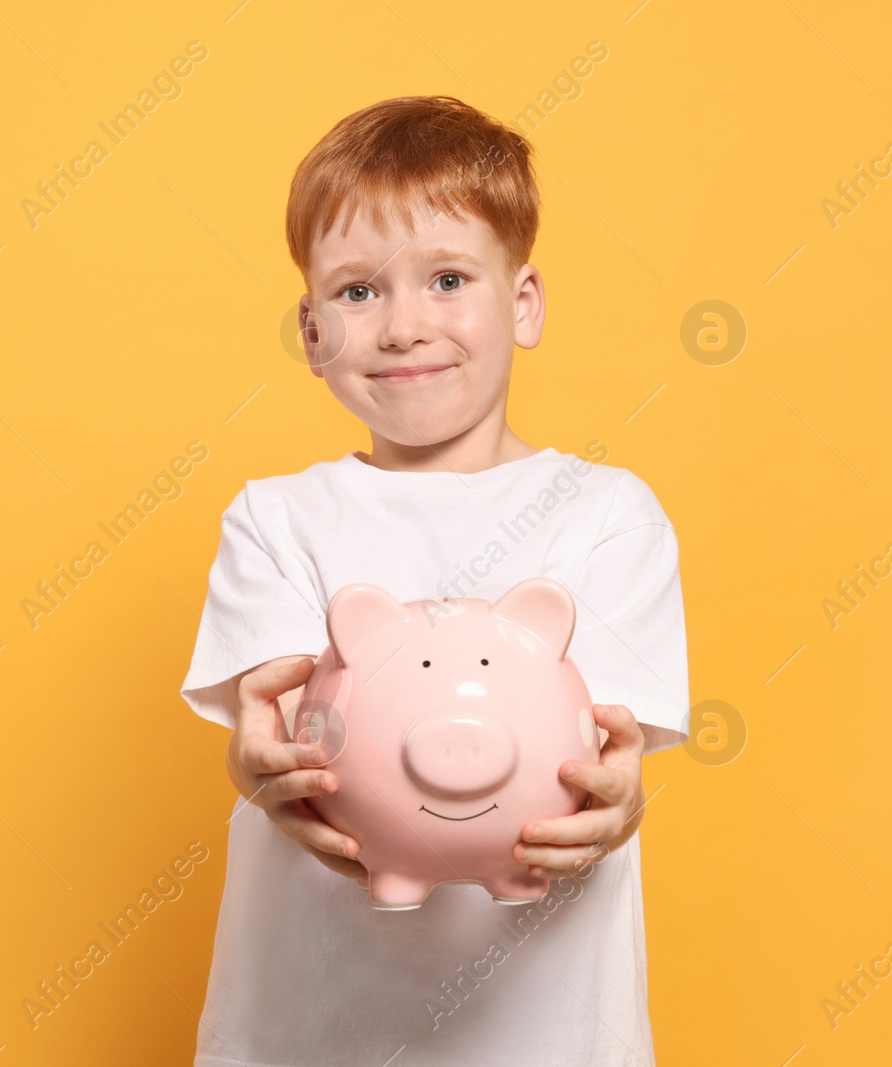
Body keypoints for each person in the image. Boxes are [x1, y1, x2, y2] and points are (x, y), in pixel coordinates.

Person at [179, 94, 690, 1066]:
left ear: (523, 302)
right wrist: (255, 760)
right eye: (358, 292)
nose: (403, 326)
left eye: (447, 278)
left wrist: (616, 799)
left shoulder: (608, 515)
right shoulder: (277, 519)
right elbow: (264, 709)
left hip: (543, 1033)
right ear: (310, 328)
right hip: (308, 1026)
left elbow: (613, 749)